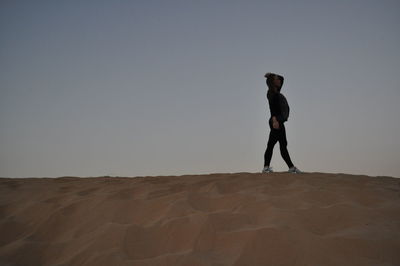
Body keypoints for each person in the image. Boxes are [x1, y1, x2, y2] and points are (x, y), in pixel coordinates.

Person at [262, 72, 302, 174]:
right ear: (272, 82)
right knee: (272, 144)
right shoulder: (271, 93)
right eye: (276, 79)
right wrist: (275, 121)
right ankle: (267, 167)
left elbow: (282, 78)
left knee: (281, 145)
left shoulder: (276, 91)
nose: (279, 81)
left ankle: (290, 167)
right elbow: (273, 109)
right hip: (276, 121)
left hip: (279, 121)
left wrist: (272, 74)